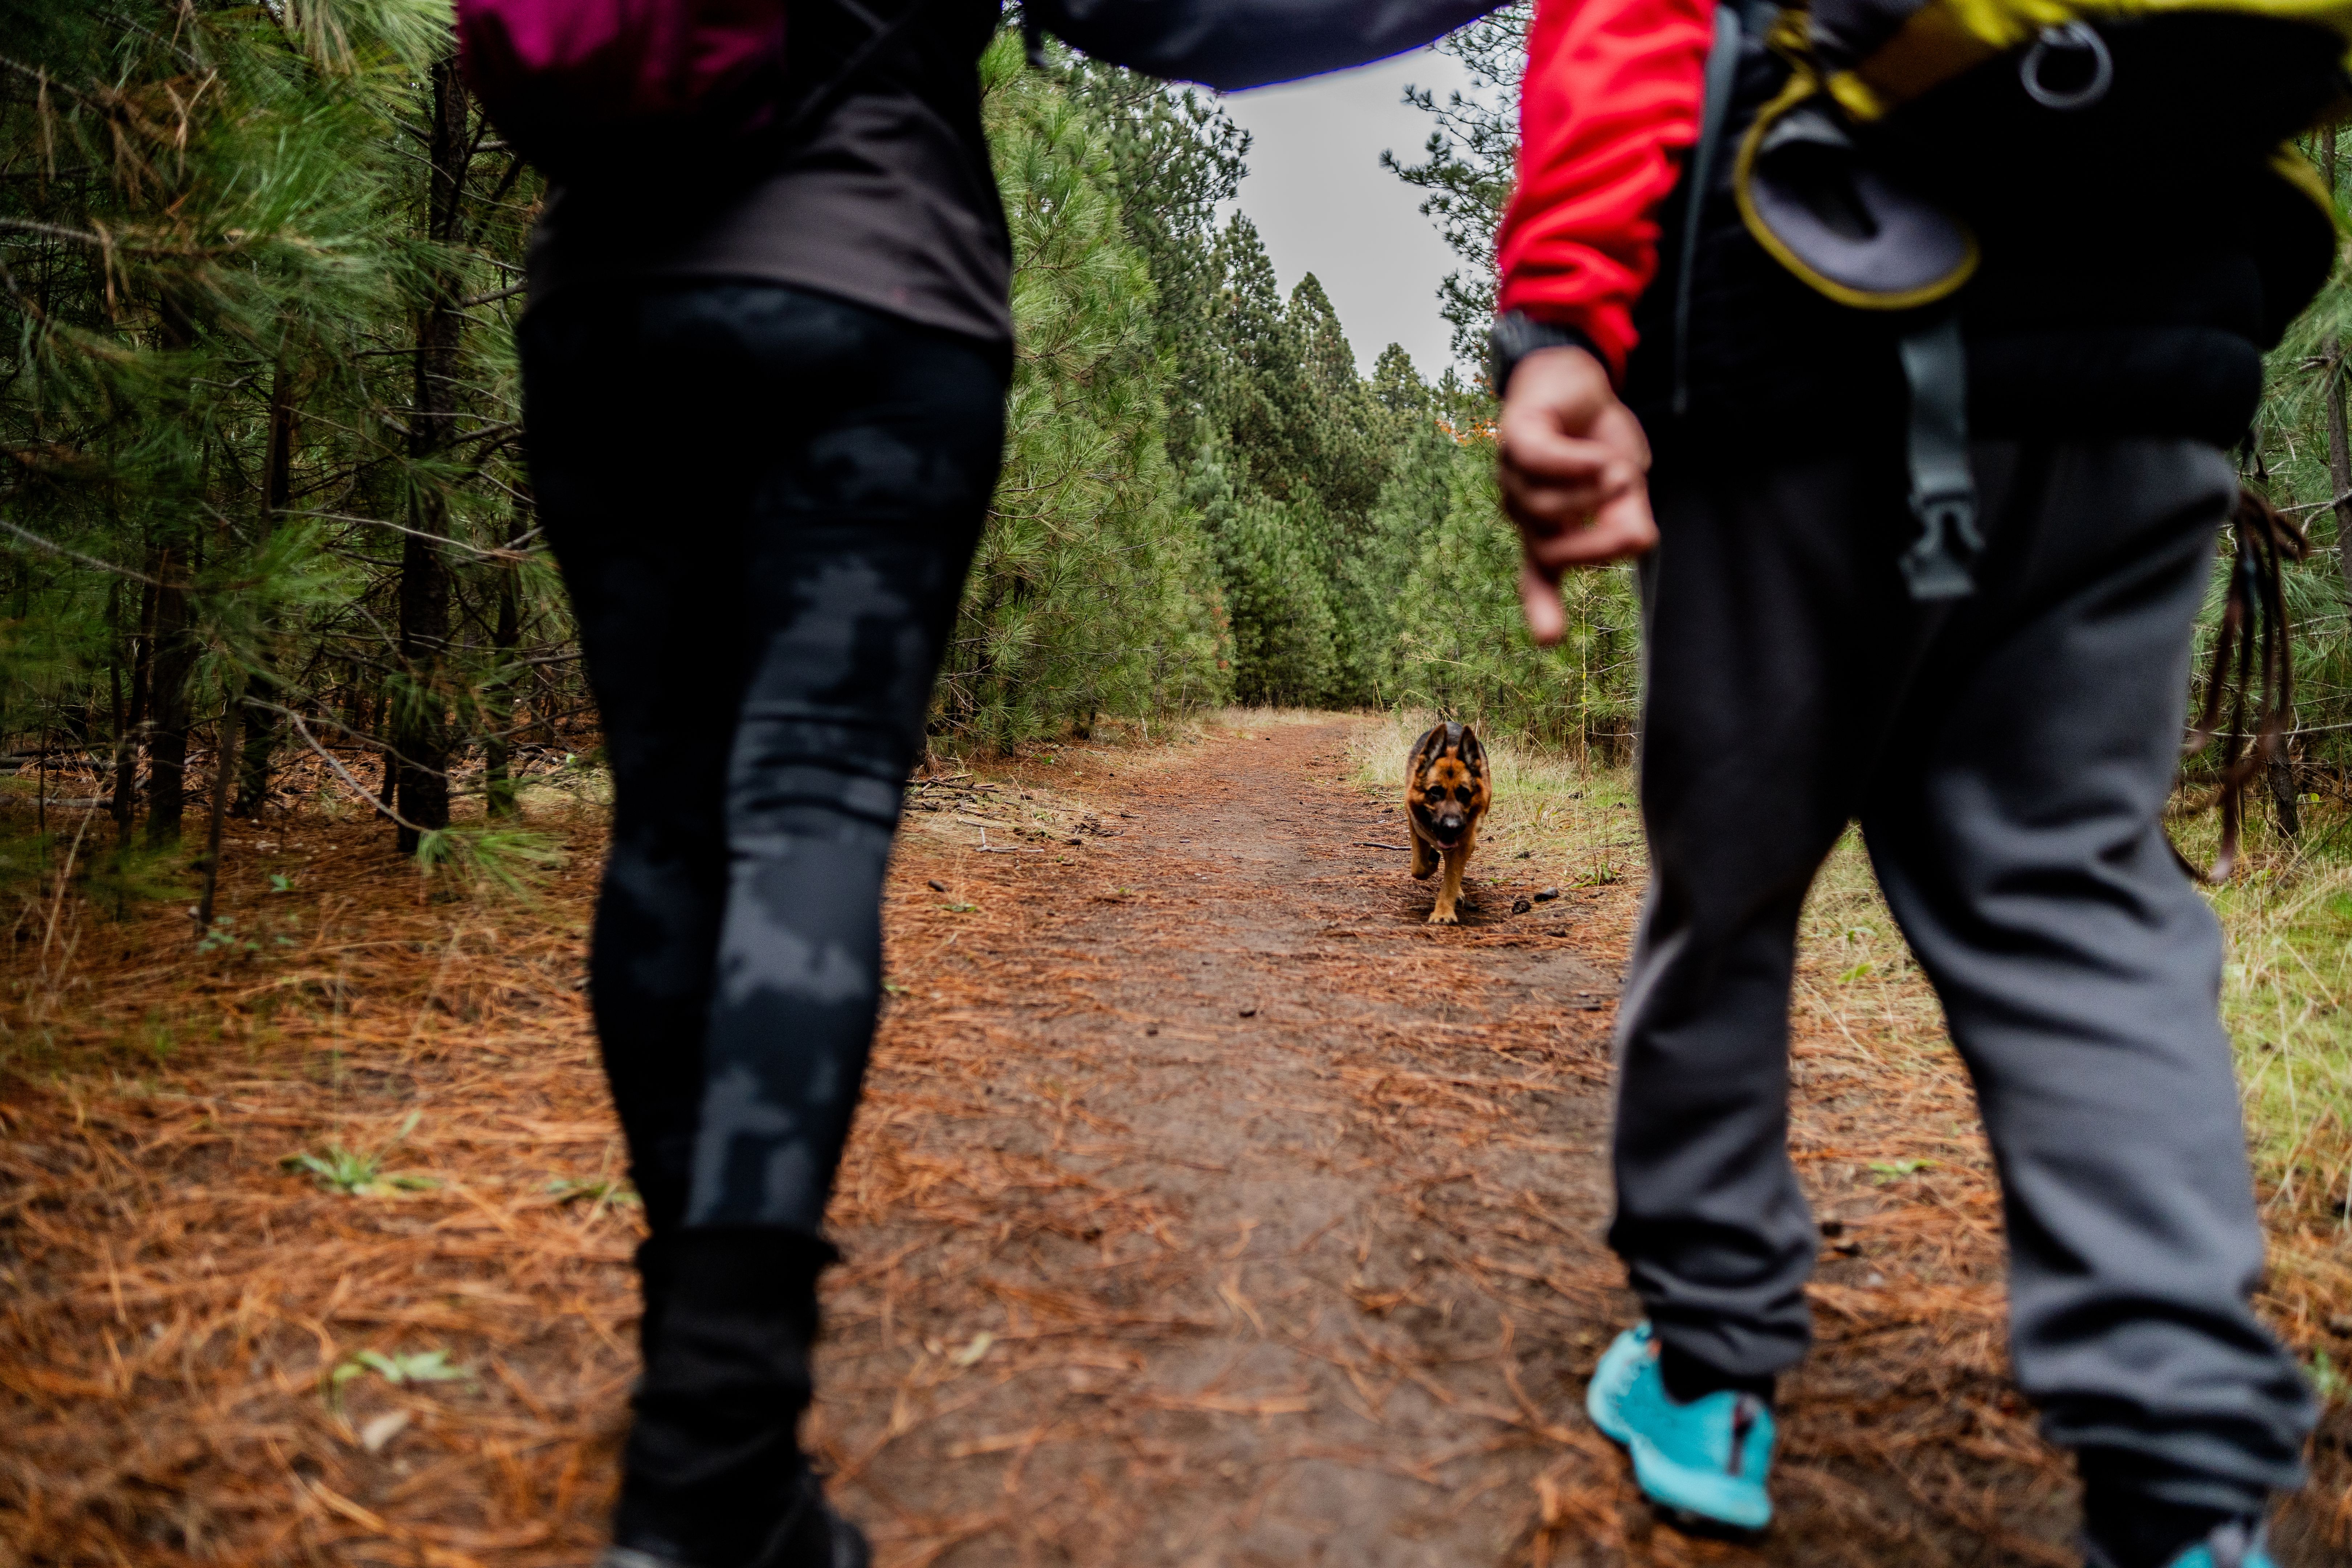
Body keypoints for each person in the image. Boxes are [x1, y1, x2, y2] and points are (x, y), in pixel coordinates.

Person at [512, 2, 1502, 1564]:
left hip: (607, 297)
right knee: (808, 811)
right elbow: (1181, 16)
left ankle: (689, 1367)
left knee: (666, 827)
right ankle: (714, 1443)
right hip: (874, 286)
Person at [1485, 1, 2332, 1565]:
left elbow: (1631, 22)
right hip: (2154, 325)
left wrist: (1558, 326)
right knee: (2076, 888)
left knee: (1731, 885)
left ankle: (1710, 1372)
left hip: (1803, 306)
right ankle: (2184, 1482)